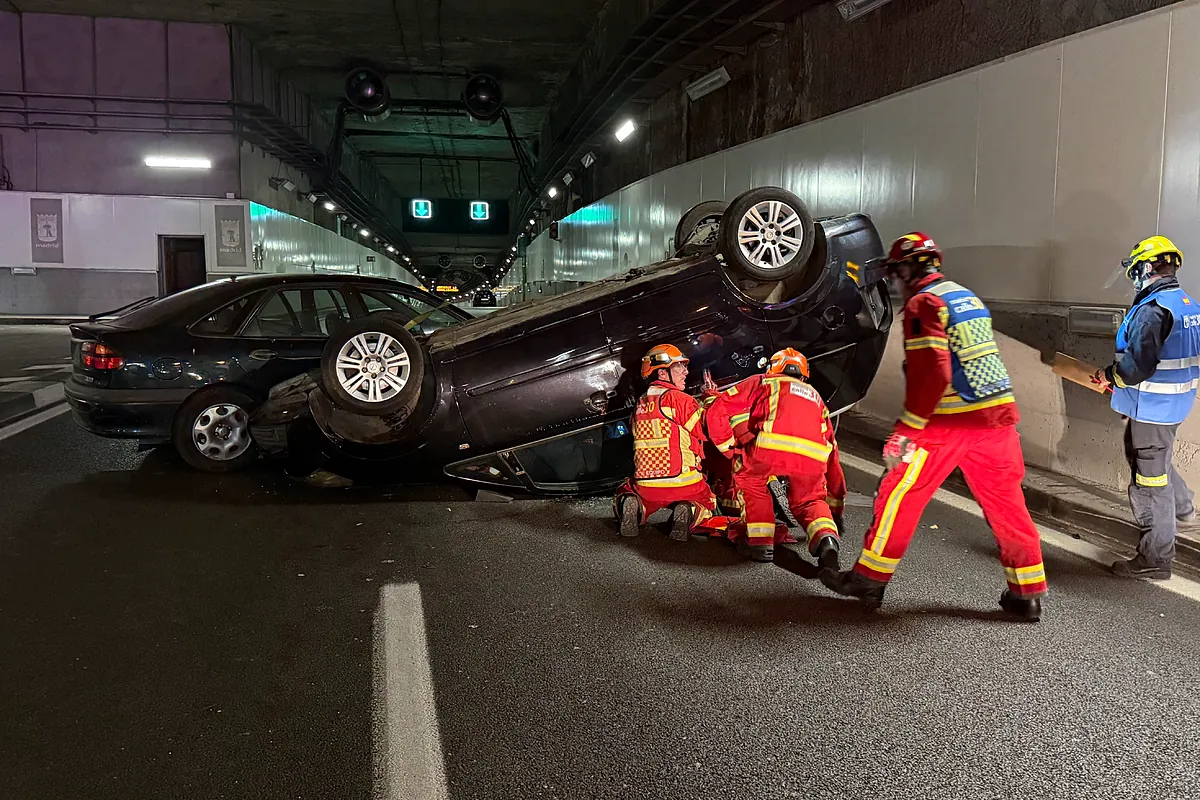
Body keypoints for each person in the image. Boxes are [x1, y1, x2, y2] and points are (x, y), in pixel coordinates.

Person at [819, 232, 1047, 622]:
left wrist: (906, 429)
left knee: (898, 493)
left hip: (945, 423)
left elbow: (933, 374)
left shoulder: (925, 304)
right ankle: (1026, 593)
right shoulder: (966, 297)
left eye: (895, 275)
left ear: (908, 269)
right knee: (1008, 506)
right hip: (998, 421)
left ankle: (869, 579)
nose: (895, 284)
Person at [1091, 236, 1200, 580]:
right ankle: (1184, 506)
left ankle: (1156, 557)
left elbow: (1138, 366)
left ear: (1148, 267)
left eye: (1136, 270)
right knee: (1149, 459)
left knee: (1150, 481)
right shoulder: (1186, 304)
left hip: (1152, 407)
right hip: (1171, 405)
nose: (1135, 278)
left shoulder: (1152, 310)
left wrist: (1110, 376)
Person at [706, 348, 846, 565]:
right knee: (809, 499)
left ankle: (761, 543)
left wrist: (728, 448)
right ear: (803, 375)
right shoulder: (817, 399)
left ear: (773, 368)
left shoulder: (763, 381)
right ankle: (826, 537)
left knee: (751, 482)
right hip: (812, 457)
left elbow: (718, 408)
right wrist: (837, 504)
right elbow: (832, 451)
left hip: (769, 449)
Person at [614, 344, 728, 540]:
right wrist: (711, 398)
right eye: (678, 367)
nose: (685, 371)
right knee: (706, 501)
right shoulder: (680, 400)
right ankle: (689, 510)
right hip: (684, 483)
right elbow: (709, 429)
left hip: (646, 485)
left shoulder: (640, 403)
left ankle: (635, 505)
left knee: (627, 490)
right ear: (662, 373)